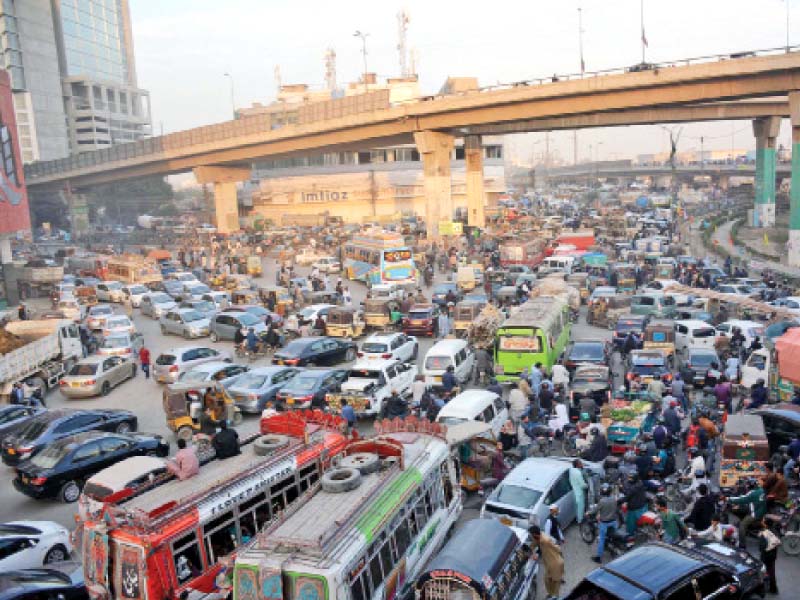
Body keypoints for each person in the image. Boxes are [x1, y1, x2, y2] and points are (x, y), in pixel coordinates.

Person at [727, 478, 767, 548]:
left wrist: (729, 499)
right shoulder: (761, 490)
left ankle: (742, 545)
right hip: (762, 510)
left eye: (747, 485)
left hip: (755, 514)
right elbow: (746, 498)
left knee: (742, 525)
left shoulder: (752, 493)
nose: (746, 486)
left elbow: (742, 499)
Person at [529, 525, 564, 600]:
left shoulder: (545, 540)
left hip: (556, 563)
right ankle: (551, 594)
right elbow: (533, 545)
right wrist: (533, 553)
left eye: (531, 534)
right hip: (549, 563)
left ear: (534, 534)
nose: (530, 536)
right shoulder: (538, 537)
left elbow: (556, 547)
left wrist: (560, 555)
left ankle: (555, 596)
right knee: (547, 580)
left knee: (555, 581)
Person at [592, 483, 619, 563]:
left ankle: (598, 557)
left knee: (601, 540)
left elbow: (595, 510)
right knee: (614, 537)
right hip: (614, 522)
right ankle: (614, 551)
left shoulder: (602, 501)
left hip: (604, 524)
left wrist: (588, 513)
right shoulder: (614, 499)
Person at [757, 519, 781, 595]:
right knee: (772, 572)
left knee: (762, 572)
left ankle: (762, 589)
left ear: (765, 524)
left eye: (763, 521)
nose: (762, 521)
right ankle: (773, 589)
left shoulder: (764, 533)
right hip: (773, 556)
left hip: (765, 556)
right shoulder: (775, 531)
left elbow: (761, 547)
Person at [569, 459, 589, 524]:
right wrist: (587, 485)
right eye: (581, 463)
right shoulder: (578, 473)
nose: (582, 464)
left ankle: (577, 519)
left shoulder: (571, 470)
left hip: (574, 492)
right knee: (581, 508)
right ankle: (580, 521)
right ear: (578, 465)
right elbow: (582, 485)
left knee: (576, 508)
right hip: (579, 493)